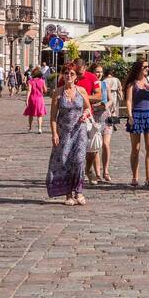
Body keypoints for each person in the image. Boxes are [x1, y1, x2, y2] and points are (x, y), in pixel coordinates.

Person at [48, 65, 93, 206]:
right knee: (65, 161)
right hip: (64, 132)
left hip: (79, 130)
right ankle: (68, 194)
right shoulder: (58, 92)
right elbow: (53, 116)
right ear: (62, 75)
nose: (69, 76)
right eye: (66, 73)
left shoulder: (81, 91)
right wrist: (54, 133)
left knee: (79, 160)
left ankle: (78, 191)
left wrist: (85, 114)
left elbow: (88, 107)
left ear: (76, 76)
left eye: (72, 73)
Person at [124, 58, 149, 188]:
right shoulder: (132, 83)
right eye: (145, 66)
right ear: (139, 68)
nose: (147, 68)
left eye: (148, 66)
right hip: (136, 115)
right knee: (135, 148)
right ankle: (135, 177)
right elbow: (128, 101)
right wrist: (129, 115)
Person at [93, 62, 119, 183]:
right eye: (97, 71)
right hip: (94, 117)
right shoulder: (90, 85)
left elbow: (111, 100)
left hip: (106, 117)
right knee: (95, 146)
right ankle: (97, 173)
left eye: (100, 72)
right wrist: (94, 106)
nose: (99, 74)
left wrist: (106, 105)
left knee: (105, 144)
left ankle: (106, 171)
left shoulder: (105, 85)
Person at [24, 66, 48, 133]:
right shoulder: (42, 81)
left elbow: (29, 90)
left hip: (32, 99)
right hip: (40, 99)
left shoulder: (30, 81)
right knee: (39, 114)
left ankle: (30, 127)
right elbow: (45, 90)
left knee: (30, 114)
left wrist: (27, 100)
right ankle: (39, 128)